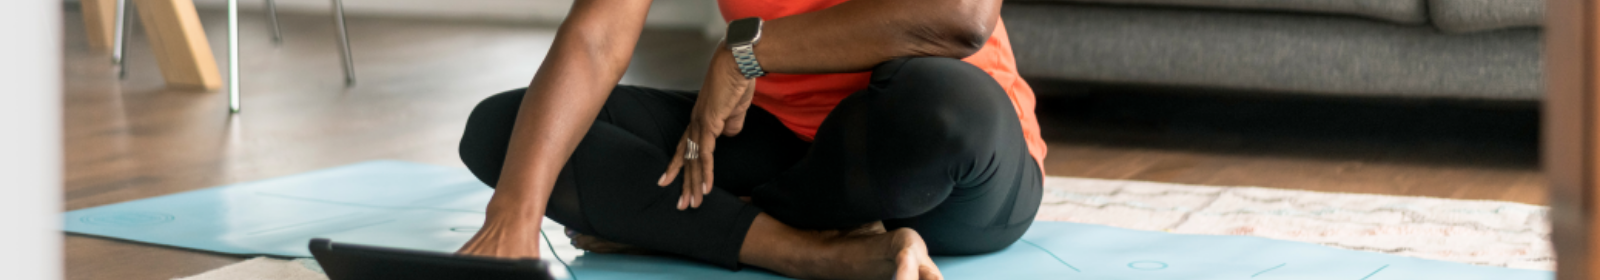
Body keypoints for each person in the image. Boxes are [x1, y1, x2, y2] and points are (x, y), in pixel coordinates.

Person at [454, 0, 1046, 279]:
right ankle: (806, 251)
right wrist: (513, 216)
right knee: (507, 136)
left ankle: (691, 226)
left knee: (944, 113)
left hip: (942, 173)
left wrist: (748, 53)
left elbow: (962, 15)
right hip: (784, 148)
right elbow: (594, 40)